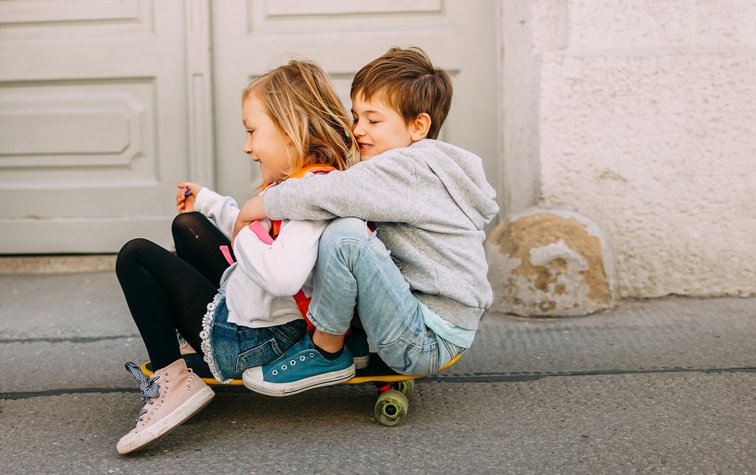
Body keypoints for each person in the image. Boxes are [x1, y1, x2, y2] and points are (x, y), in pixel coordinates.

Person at [113, 59, 357, 454]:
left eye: (252, 131)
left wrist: (245, 229)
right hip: (259, 314)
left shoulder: (308, 199)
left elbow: (282, 275)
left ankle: (172, 384)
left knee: (135, 256)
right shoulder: (307, 182)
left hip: (255, 339)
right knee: (187, 223)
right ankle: (188, 343)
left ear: (290, 129)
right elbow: (263, 230)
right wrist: (210, 203)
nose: (246, 146)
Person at [237, 47, 499, 397]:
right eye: (355, 116)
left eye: (373, 121)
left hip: (426, 339)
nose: (358, 129)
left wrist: (261, 204)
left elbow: (331, 192)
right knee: (353, 234)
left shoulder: (409, 168)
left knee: (345, 235)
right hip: (426, 320)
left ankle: (326, 350)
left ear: (418, 126)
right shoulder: (420, 167)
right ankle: (354, 345)